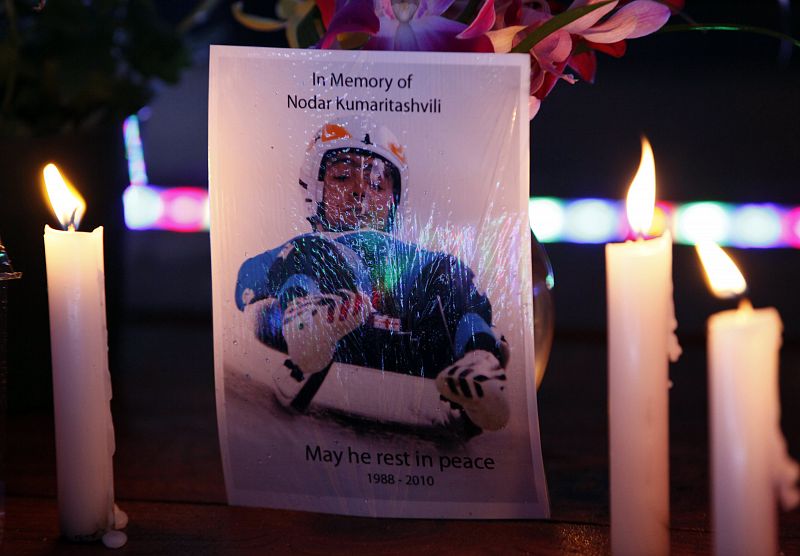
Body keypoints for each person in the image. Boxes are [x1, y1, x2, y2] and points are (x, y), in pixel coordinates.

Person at [234, 117, 510, 432]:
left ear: (394, 201)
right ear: (315, 187)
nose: (360, 193)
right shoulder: (309, 247)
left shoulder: (412, 259)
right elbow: (247, 280)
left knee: (450, 271)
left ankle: (478, 365)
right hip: (334, 331)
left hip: (410, 340)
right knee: (313, 252)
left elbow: (453, 287)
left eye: (377, 184)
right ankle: (307, 325)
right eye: (343, 177)